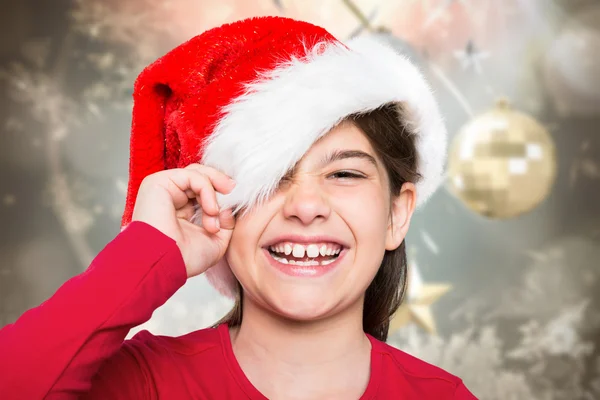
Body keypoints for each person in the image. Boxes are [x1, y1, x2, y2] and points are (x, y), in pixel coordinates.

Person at [0, 16, 478, 399]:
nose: (307, 206)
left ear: (398, 213)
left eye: (344, 173)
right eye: (269, 178)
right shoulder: (143, 384)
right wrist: (146, 253)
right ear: (216, 203)